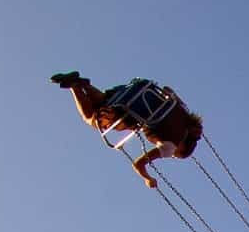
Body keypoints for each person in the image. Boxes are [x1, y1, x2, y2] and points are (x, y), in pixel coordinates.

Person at [51, 72, 204, 187]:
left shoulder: (184, 116)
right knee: (92, 118)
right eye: (175, 156)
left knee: (106, 101)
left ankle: (84, 85)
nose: (171, 156)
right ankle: (75, 87)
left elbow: (167, 90)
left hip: (136, 93)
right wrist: (148, 179)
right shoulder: (170, 146)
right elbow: (138, 164)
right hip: (128, 112)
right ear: (183, 148)